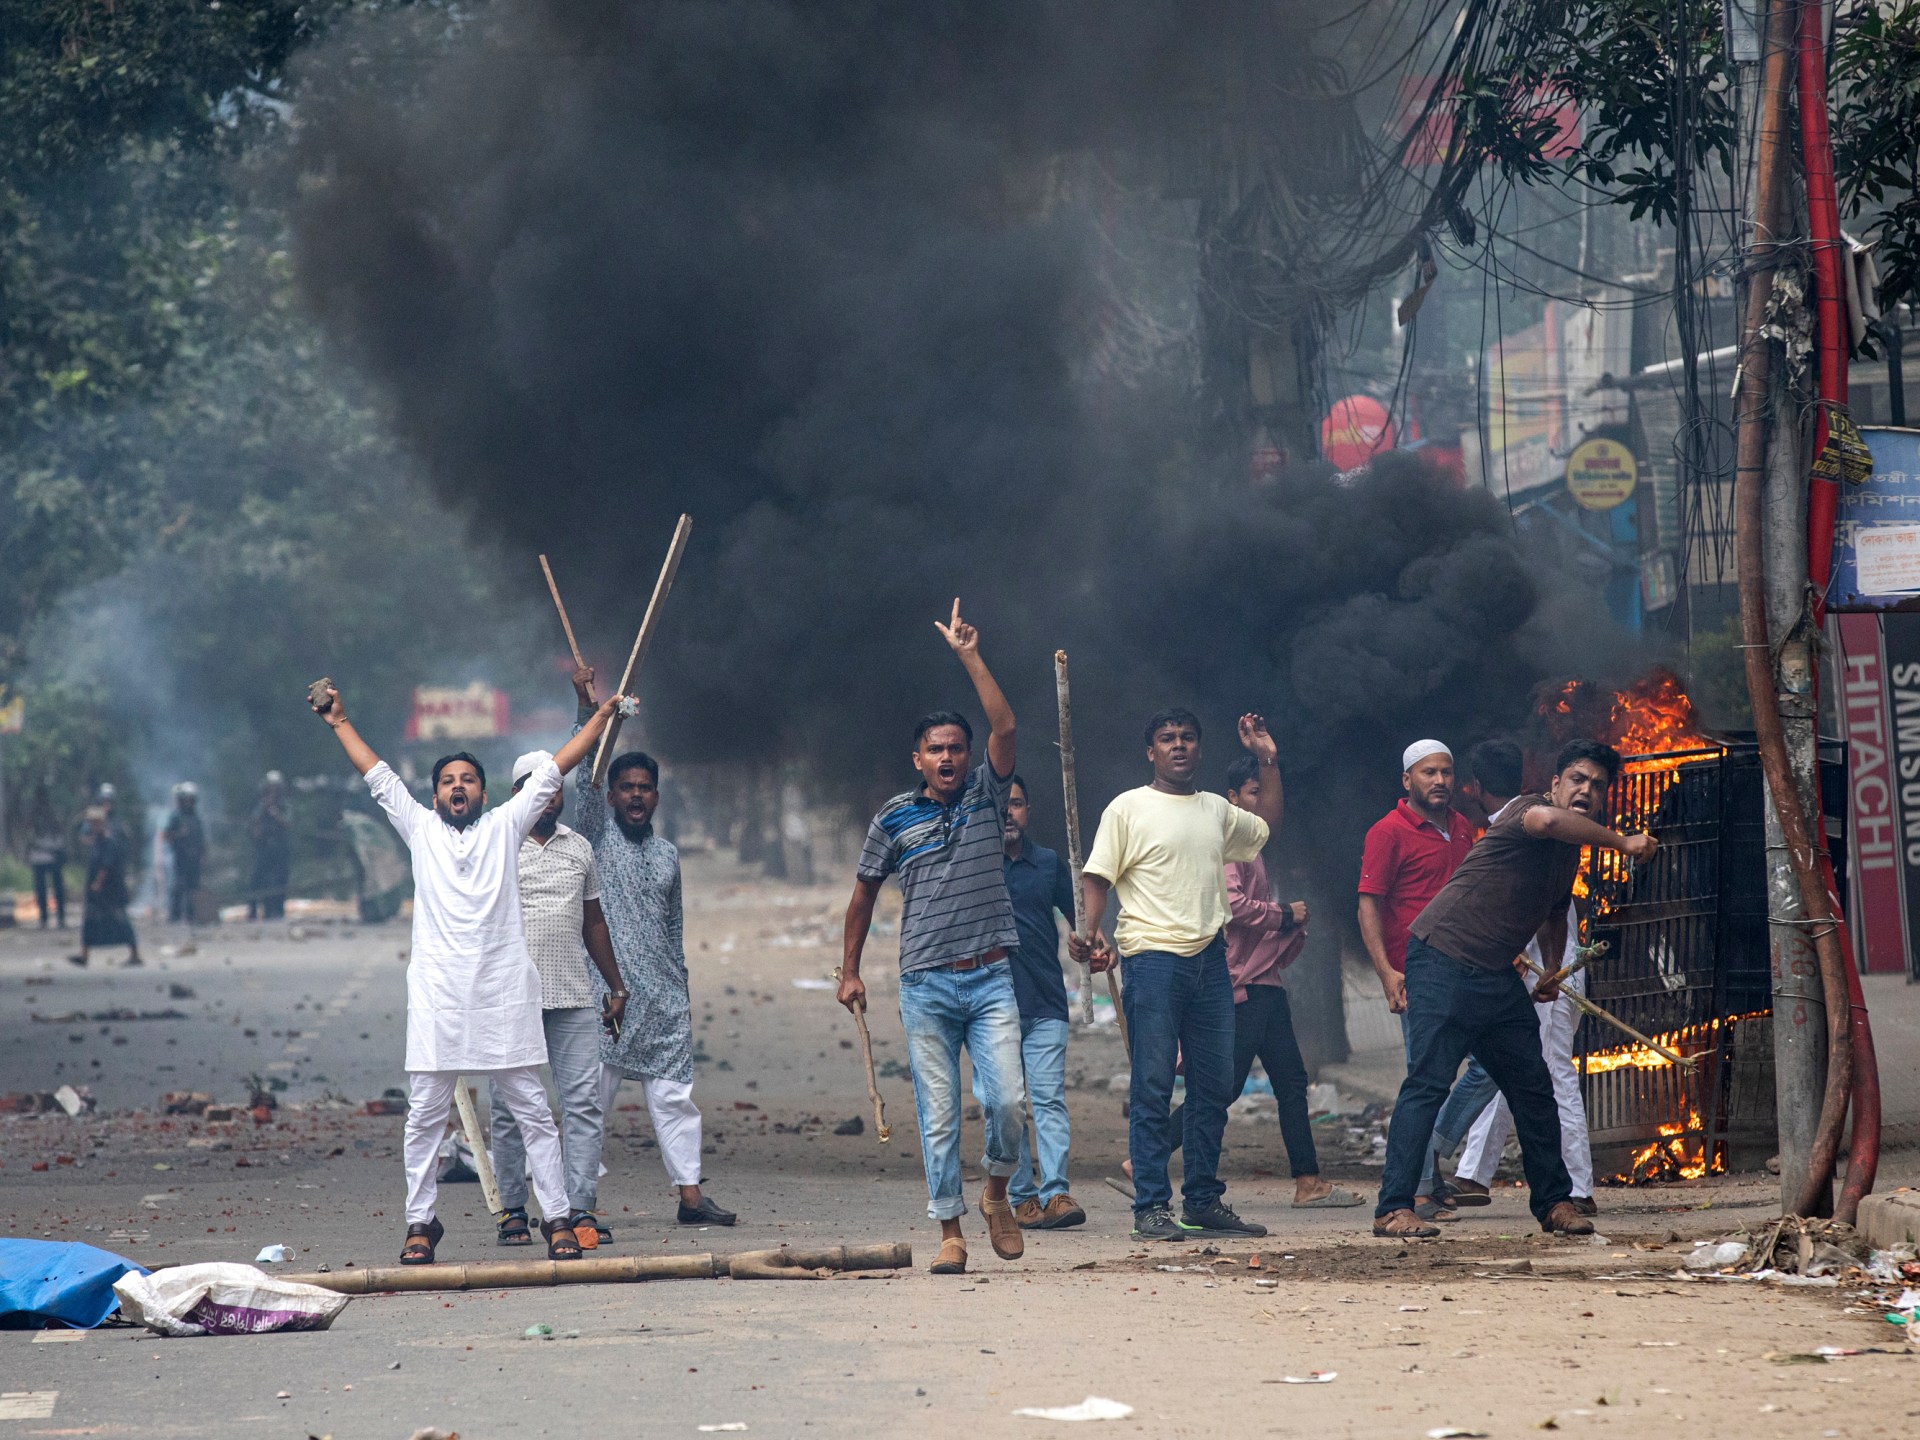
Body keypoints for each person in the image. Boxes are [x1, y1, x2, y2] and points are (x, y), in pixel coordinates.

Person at [312, 676, 629, 1265]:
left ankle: (555, 1216)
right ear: (434, 797)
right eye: (448, 783)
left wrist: (601, 716)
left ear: (486, 793)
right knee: (425, 1114)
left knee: (532, 1108)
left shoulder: (507, 826)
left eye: (468, 781)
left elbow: (559, 764)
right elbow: (376, 774)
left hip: (504, 992)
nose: (458, 789)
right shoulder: (419, 828)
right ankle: (419, 1223)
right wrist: (338, 721)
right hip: (438, 997)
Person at [1372, 739, 1653, 1240]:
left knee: (1532, 1086)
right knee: (1428, 1084)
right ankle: (1394, 1207)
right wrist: (1623, 842)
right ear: (1554, 785)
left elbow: (1551, 912)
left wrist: (1551, 974)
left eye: (1597, 785)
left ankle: (1554, 1203)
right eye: (1577, 780)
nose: (1586, 791)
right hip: (1442, 957)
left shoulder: (1568, 854)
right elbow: (1548, 823)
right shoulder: (1530, 812)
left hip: (1493, 973)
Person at [839, 601, 1026, 1276]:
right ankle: (949, 1230)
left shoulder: (987, 794)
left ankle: (997, 1194)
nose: (948, 758)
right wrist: (848, 970)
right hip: (924, 982)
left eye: (957, 747)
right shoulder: (893, 818)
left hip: (990, 975)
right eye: (936, 749)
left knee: (1008, 1100)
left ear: (969, 756)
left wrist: (969, 655)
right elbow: (862, 893)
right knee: (939, 1113)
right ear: (917, 757)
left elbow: (1005, 723)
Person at [1070, 707, 1284, 1242]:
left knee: (1213, 1089)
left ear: (1200, 748)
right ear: (1151, 751)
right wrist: (1091, 931)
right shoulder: (1128, 808)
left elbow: (1266, 827)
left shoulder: (1215, 809)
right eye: (1167, 738)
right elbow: (1098, 875)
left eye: (1188, 737)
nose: (1179, 745)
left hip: (1211, 960)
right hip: (1152, 961)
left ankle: (1203, 1202)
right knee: (1152, 1086)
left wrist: (1268, 758)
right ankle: (1151, 1207)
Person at [1154, 756, 1360, 1210]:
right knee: (1223, 1088)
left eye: (1262, 795)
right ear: (1232, 799)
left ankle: (1308, 1182)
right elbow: (1231, 904)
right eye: (1253, 794)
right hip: (1241, 986)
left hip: (1265, 984)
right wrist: (1284, 915)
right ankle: (1145, 1159)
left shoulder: (1253, 848)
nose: (1261, 803)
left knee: (1290, 1080)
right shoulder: (1231, 846)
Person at [570, 667, 735, 1230]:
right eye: (627, 788)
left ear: (656, 797)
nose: (636, 796)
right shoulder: (594, 836)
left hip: (663, 1002)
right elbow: (584, 781)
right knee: (589, 1106)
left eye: (645, 788)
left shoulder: (667, 855)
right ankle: (579, 1206)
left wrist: (682, 992)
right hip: (604, 1000)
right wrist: (593, 713)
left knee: (675, 1103)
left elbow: (673, 931)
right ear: (613, 796)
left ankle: (691, 1199)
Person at [490, 749, 631, 1251]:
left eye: (554, 786)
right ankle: (512, 1208)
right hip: (511, 998)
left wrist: (616, 986)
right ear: (516, 794)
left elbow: (594, 923)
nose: (548, 795)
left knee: (583, 1105)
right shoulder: (496, 844)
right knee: (509, 1109)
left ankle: (580, 1208)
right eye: (535, 785)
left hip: (573, 994)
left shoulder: (580, 849)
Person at [1356, 739, 1473, 1220]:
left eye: (1446, 772)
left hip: (1468, 969)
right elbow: (1368, 903)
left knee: (1489, 1069)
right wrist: (1386, 972)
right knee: (1425, 1076)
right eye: (1429, 773)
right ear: (1408, 780)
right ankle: (1420, 1190)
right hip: (1417, 973)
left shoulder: (1464, 827)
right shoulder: (1387, 832)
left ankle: (1431, 1145)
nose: (1440, 781)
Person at [1450, 895, 1595, 1213]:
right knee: (1506, 1067)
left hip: (1547, 973)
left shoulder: (1535, 856)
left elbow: (1543, 914)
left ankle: (1578, 1186)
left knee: (1555, 1072)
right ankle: (1474, 1174)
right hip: (1529, 972)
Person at [988, 774, 1084, 1230]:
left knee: (1047, 1100)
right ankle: (1022, 1197)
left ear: (1029, 811)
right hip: (989, 1009)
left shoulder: (1048, 864)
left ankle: (1057, 1193)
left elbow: (1080, 919)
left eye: (1019, 804)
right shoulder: (975, 867)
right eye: (1002, 804)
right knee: (1006, 1104)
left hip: (1046, 1001)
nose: (1010, 812)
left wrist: (1093, 942)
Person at [72, 807, 140, 968]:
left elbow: (106, 866)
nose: (93, 826)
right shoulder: (97, 840)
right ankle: (84, 955)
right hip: (99, 892)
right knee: (89, 922)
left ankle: (135, 954)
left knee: (121, 922)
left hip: (111, 891)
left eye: (96, 823)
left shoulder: (109, 841)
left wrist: (97, 883)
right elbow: (76, 830)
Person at [248, 772, 292, 920]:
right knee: (258, 879)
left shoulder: (285, 805)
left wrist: (276, 815)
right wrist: (264, 810)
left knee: (280, 879)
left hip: (280, 847)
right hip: (264, 847)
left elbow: (288, 823)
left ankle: (278, 910)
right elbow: (254, 824)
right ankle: (254, 911)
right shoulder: (261, 806)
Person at [163, 783, 206, 924]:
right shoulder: (176, 816)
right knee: (179, 886)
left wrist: (203, 853)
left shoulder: (195, 817)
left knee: (194, 887)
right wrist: (179, 835)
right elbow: (166, 835)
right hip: (181, 858)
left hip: (195, 858)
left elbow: (200, 837)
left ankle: (191, 915)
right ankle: (174, 915)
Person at [27, 819, 66, 929]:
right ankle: (44, 918)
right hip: (39, 860)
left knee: (57, 890)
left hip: (52, 860)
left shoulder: (55, 824)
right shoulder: (33, 824)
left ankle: (59, 918)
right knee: (41, 891)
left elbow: (60, 844)